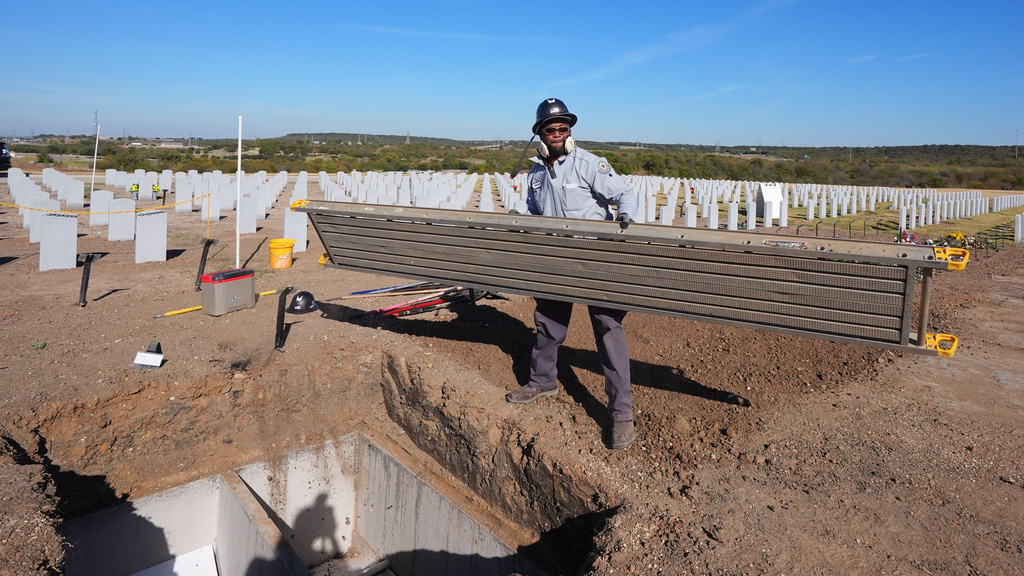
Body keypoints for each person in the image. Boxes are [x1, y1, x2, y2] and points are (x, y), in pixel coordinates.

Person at [505, 98, 639, 449]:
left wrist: (625, 217)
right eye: (552, 129)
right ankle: (542, 381)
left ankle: (621, 414)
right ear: (540, 134)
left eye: (564, 128)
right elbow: (534, 212)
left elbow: (624, 193)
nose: (559, 133)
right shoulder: (535, 174)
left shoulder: (590, 164)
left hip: (594, 257)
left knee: (608, 329)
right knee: (548, 322)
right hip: (556, 258)